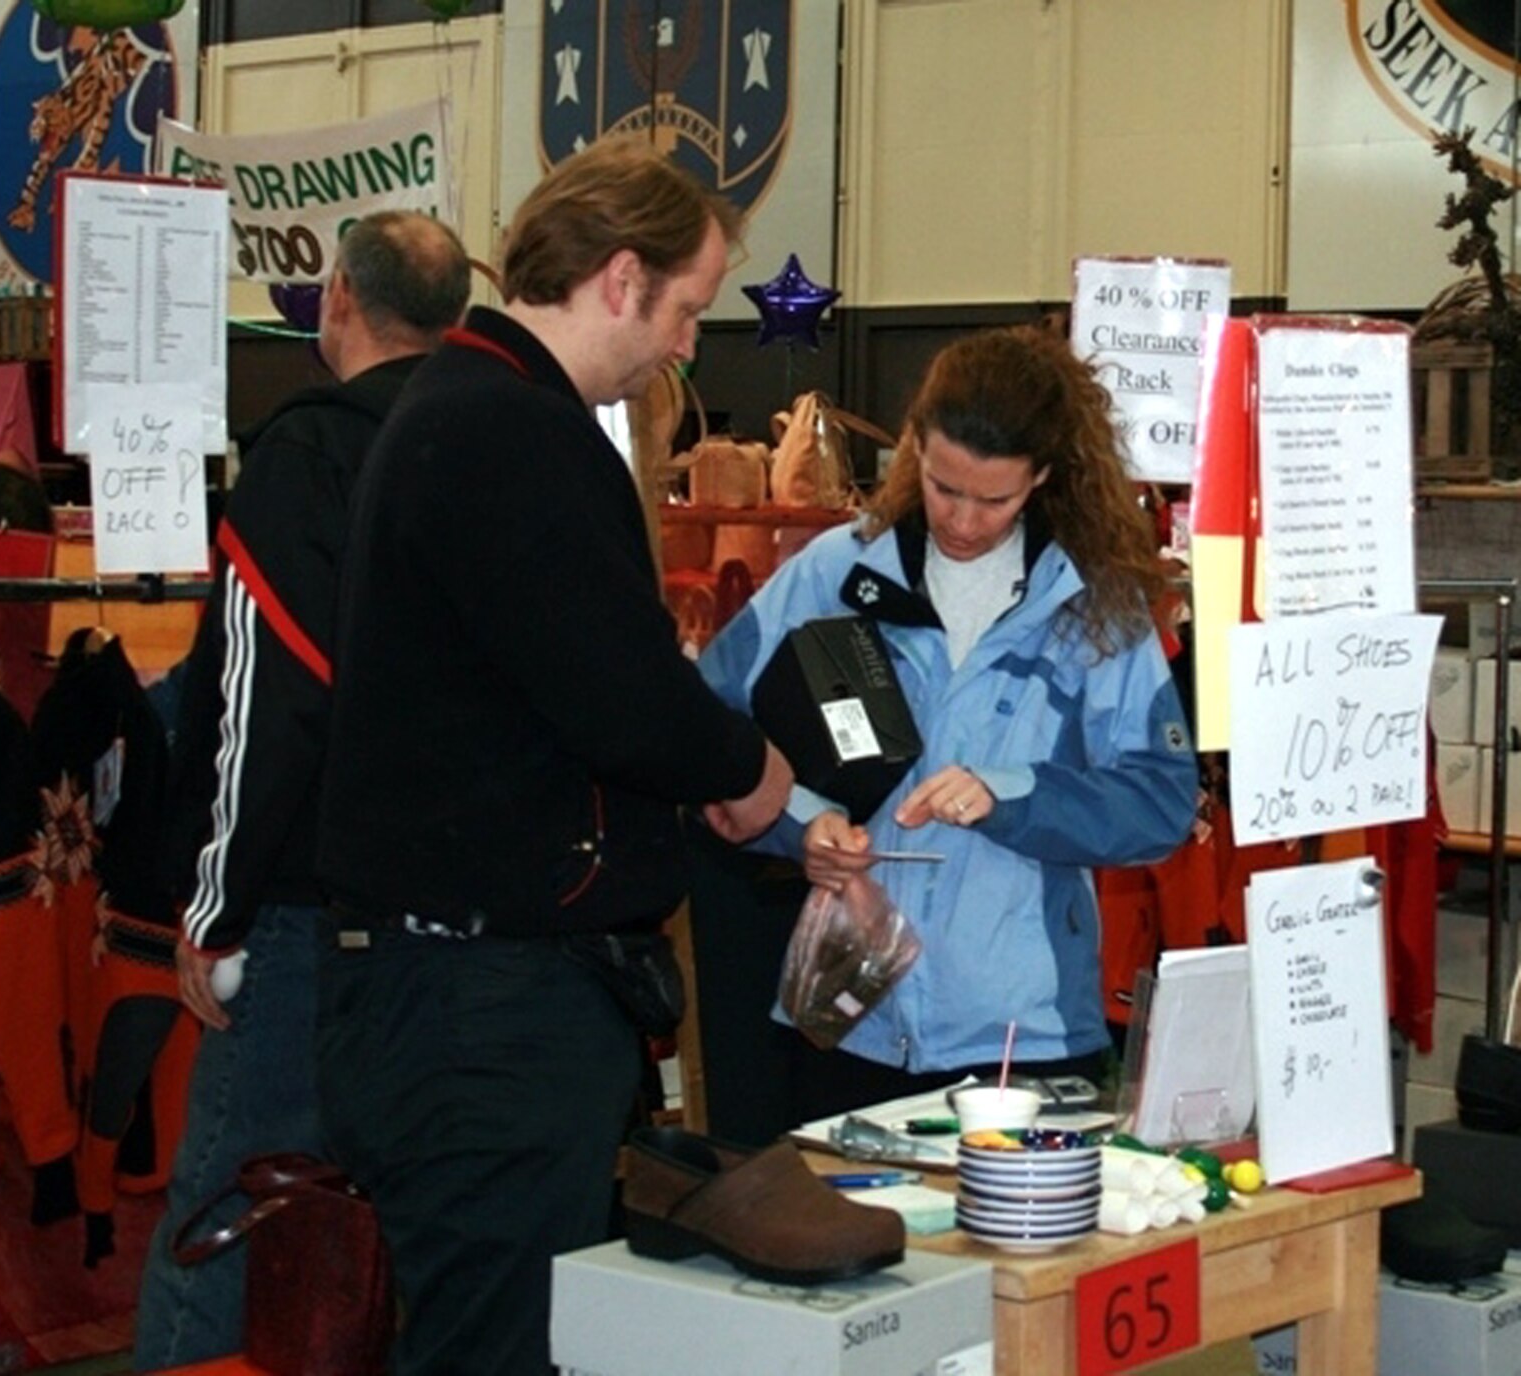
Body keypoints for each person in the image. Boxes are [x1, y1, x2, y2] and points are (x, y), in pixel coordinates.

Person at [312, 138, 794, 1376]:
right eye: (686, 307)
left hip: (467, 990)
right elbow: (617, 689)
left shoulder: (471, 409)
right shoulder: (506, 429)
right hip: (481, 1009)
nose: (688, 343)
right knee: (494, 1346)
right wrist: (746, 770)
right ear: (621, 278)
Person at [132, 210, 472, 1372]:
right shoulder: (501, 444)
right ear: (456, 318)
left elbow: (265, 692)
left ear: (334, 299)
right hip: (458, 927)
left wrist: (211, 902)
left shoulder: (303, 451)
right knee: (400, 1228)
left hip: (299, 908)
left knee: (235, 1206)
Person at [698, 325, 1199, 1110]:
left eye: (993, 499)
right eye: (942, 487)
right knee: (849, 1234)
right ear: (914, 452)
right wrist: (802, 825)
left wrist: (1013, 794)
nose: (964, 520)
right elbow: (709, 727)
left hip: (1019, 1039)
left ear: (1042, 476)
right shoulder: (834, 572)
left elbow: (1158, 804)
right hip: (846, 1017)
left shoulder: (1096, 609)